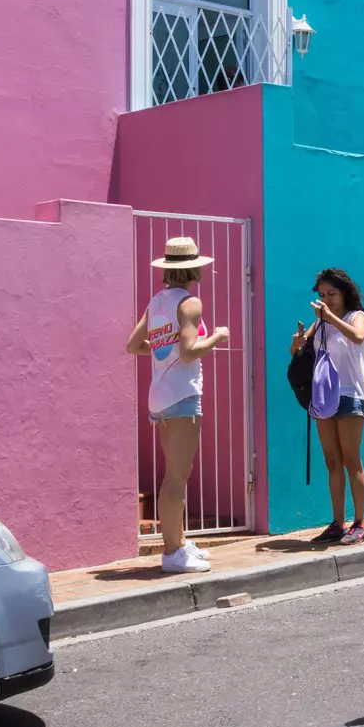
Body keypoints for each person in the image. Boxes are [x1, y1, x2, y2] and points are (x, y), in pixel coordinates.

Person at [126, 237, 232, 574]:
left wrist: (165, 354)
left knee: (176, 473)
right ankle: (172, 552)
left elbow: (134, 345)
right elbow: (189, 351)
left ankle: (180, 543)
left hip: (160, 394)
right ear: (192, 268)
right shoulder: (189, 304)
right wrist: (217, 336)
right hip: (181, 395)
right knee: (177, 476)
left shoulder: (157, 301)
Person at [292, 269, 364, 545]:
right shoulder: (320, 323)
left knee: (352, 459)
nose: (326, 299)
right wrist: (296, 345)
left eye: (332, 294)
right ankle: (337, 523)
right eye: (322, 295)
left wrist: (332, 319)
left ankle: (360, 523)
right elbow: (304, 356)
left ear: (344, 293)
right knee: (332, 461)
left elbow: (358, 337)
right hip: (324, 397)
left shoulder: (354, 316)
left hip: (351, 394)